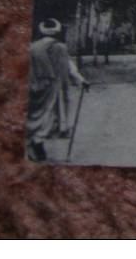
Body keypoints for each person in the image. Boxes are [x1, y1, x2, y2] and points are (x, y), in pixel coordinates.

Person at [26, 19, 89, 162]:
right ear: (57, 31)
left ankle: (35, 143)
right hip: (54, 88)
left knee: (37, 115)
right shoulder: (59, 47)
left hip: (36, 87)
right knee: (51, 115)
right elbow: (68, 66)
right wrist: (81, 80)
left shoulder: (33, 47)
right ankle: (37, 142)